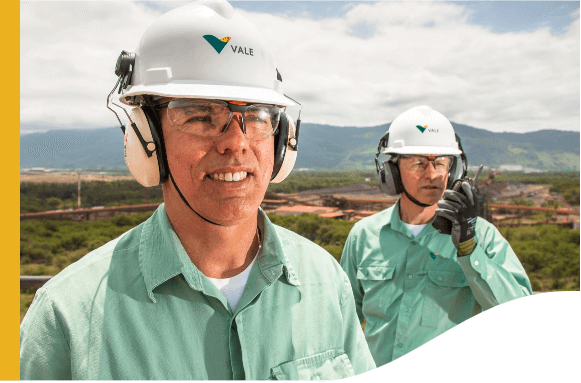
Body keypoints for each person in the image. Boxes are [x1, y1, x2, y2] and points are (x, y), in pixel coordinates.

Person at [20, 1, 375, 380]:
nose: (236, 144)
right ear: (147, 137)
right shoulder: (68, 318)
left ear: (282, 139)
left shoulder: (326, 282)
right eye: (201, 116)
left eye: (256, 117)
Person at [340, 105, 532, 367]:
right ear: (392, 172)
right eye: (418, 163)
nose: (432, 175)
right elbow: (341, 323)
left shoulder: (483, 236)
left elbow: (520, 316)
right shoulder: (363, 236)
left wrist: (469, 250)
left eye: (440, 162)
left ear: (453, 170)